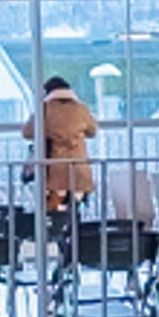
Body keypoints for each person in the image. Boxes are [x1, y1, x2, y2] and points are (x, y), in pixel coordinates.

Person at [39, 73, 99, 215]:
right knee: (74, 208)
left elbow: (27, 132)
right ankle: (74, 234)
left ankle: (58, 234)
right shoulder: (82, 109)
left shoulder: (45, 109)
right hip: (79, 169)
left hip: (56, 169)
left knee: (55, 211)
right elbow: (92, 131)